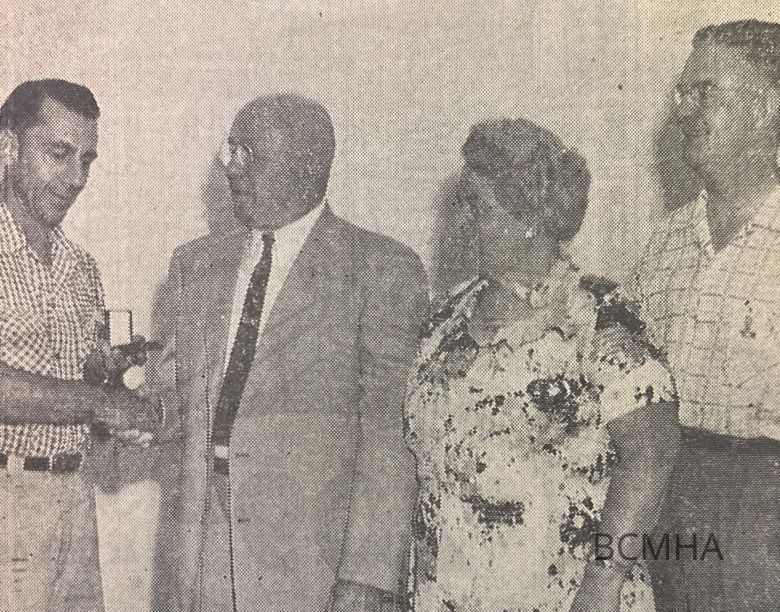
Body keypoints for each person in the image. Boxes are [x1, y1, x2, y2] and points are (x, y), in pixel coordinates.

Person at [148, 93, 429, 612]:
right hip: (202, 553)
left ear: (306, 166)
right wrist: (135, 411)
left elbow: (390, 433)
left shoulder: (380, 269)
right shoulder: (195, 264)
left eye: (246, 153)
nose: (229, 167)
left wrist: (369, 577)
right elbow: (180, 401)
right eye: (229, 150)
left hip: (312, 562)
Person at [404, 118, 681, 612]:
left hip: (564, 596)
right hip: (446, 594)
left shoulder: (597, 316)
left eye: (476, 206)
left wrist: (601, 588)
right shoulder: (445, 319)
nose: (459, 220)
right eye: (460, 203)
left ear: (530, 217)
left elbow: (652, 455)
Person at [629, 20, 780, 611]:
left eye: (705, 92)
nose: (683, 110)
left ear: (764, 107)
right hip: (668, 498)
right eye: (681, 93)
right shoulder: (664, 243)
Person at [0, 79, 157, 612]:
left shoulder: (81, 268)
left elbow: (90, 396)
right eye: (59, 154)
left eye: (86, 161)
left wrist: (115, 385)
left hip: (74, 496)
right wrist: (101, 402)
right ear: (9, 146)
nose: (75, 179)